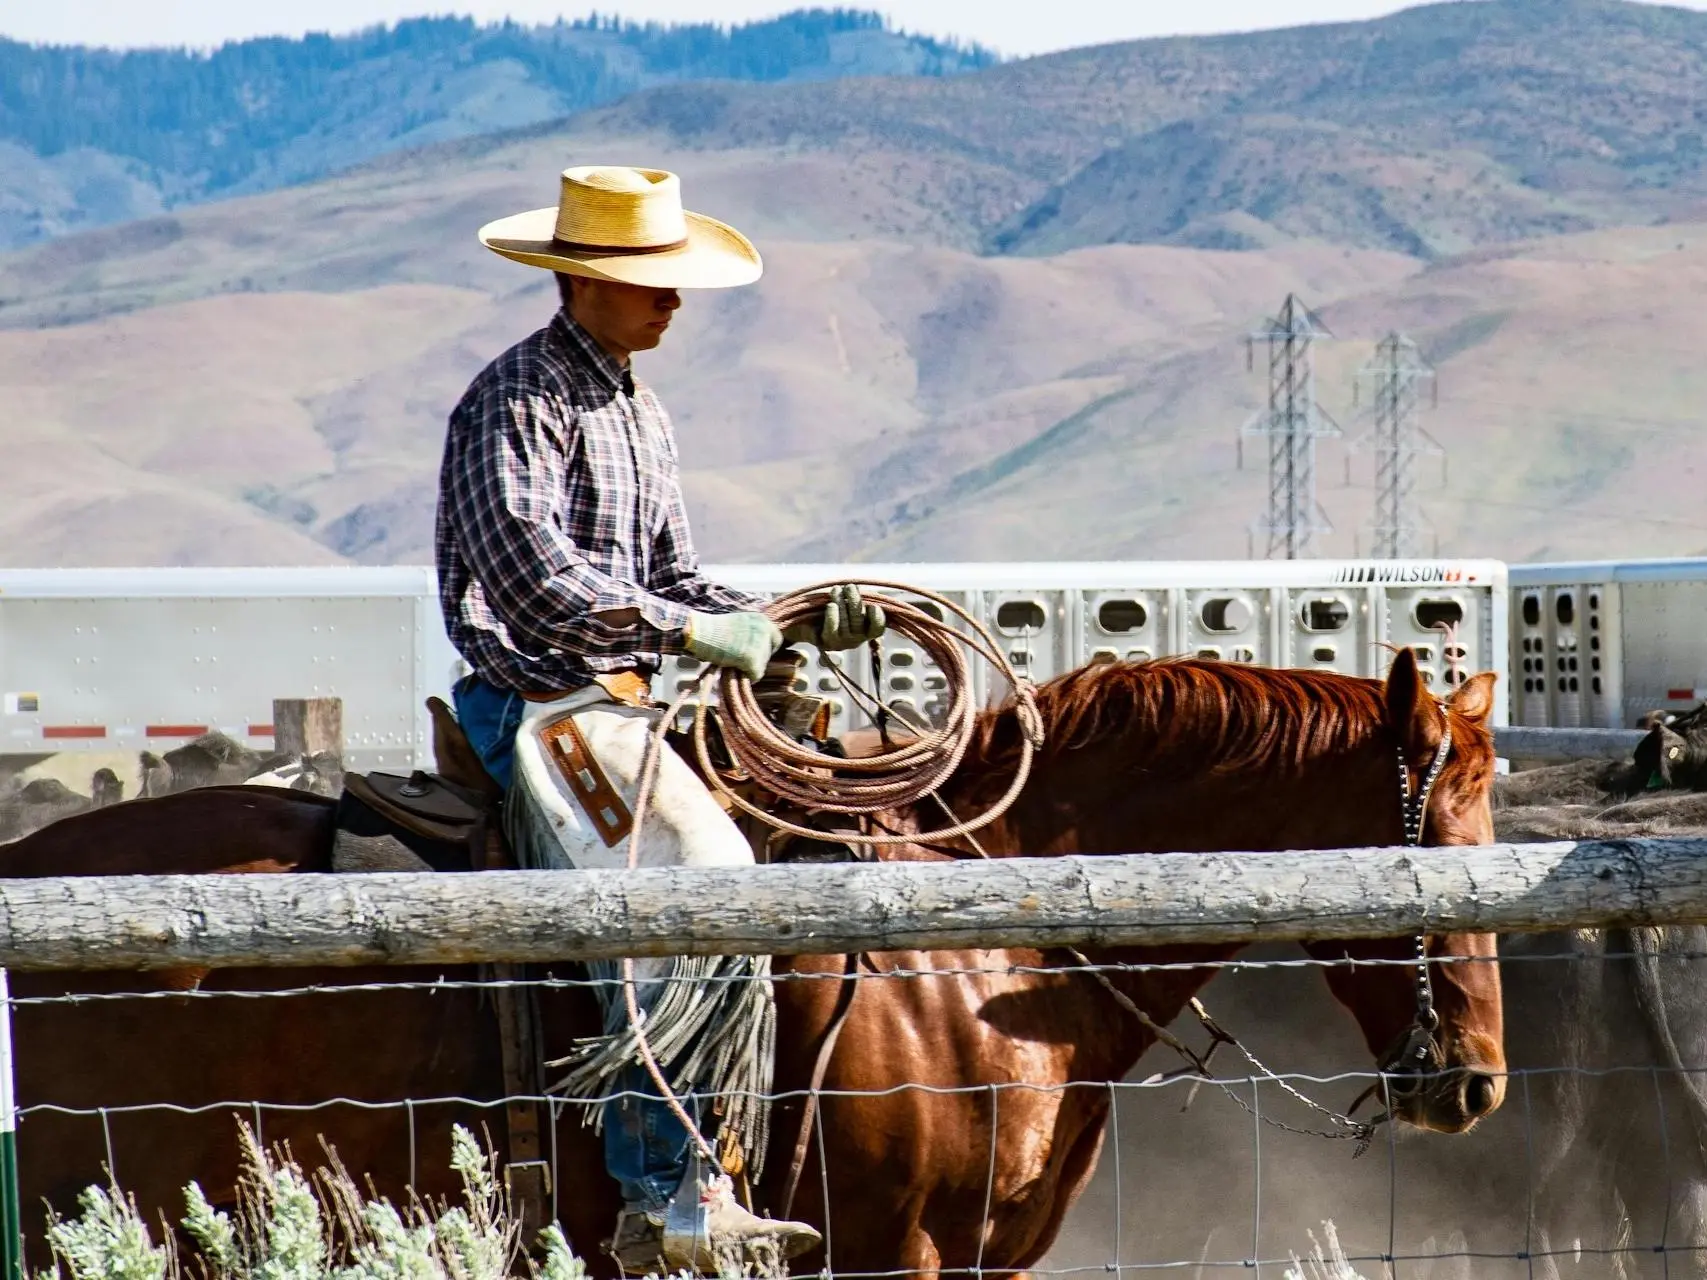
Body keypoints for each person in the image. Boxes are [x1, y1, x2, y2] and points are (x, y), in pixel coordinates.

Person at [435, 165, 883, 1273]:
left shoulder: (638, 406)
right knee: (691, 868)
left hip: (632, 692)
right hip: (542, 697)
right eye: (649, 280)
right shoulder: (518, 397)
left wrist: (778, 618)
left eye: (675, 281)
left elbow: (674, 571)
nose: (672, 300)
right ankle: (664, 1190)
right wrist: (684, 635)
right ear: (581, 281)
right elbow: (532, 573)